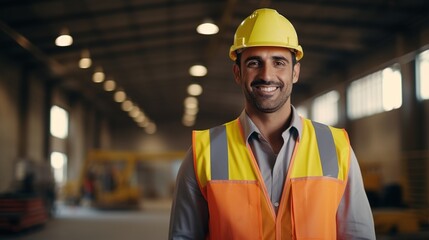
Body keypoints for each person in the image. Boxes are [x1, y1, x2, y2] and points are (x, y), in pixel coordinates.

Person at [169, 8, 376, 240]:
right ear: (237, 72)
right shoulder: (203, 153)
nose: (267, 75)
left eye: (279, 62)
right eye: (254, 63)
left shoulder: (337, 148)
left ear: (295, 72)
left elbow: (359, 236)